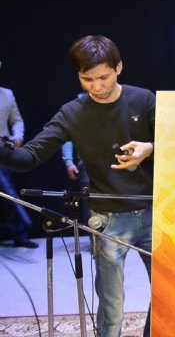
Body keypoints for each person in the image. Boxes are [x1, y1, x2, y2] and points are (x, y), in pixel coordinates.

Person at [0, 36, 155, 336]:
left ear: (119, 67)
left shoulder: (144, 99)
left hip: (154, 212)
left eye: (103, 77)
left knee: (166, 295)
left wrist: (150, 148)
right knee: (111, 307)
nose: (96, 87)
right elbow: (28, 157)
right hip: (108, 220)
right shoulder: (72, 113)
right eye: (87, 79)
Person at [0, 83, 37, 248]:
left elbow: (17, 120)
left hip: (3, 149)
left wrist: (18, 136)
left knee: (8, 193)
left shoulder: (7, 94)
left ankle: (19, 234)